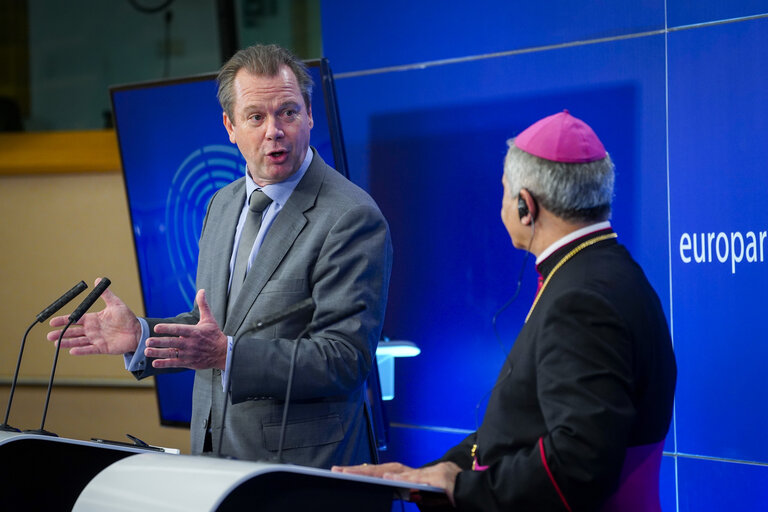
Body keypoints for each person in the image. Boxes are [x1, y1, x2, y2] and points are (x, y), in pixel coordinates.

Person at [48, 44, 393, 468]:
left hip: (305, 472)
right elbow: (213, 326)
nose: (274, 130)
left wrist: (227, 354)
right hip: (214, 459)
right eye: (256, 117)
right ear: (230, 126)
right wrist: (142, 336)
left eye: (288, 112)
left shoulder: (350, 217)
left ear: (309, 114)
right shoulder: (221, 204)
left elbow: (344, 359)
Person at [334, 111, 677, 511]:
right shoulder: (605, 272)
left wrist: (462, 490)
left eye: (503, 192)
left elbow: (580, 463)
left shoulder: (581, 300)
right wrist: (434, 474)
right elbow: (529, 428)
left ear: (525, 205)